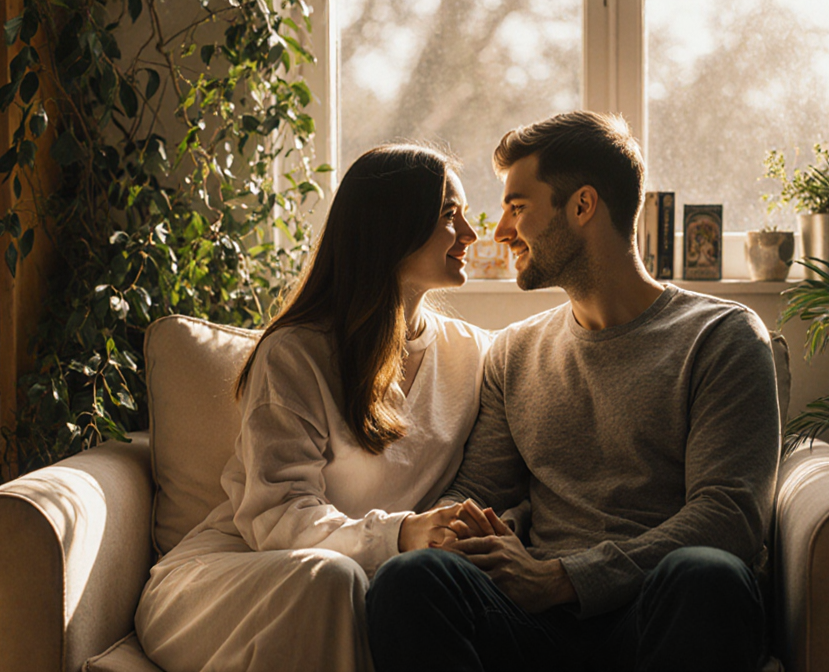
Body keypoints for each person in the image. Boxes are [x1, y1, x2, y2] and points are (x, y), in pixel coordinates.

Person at [366, 111, 781, 672]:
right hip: (536, 624)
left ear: (583, 207)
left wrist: (563, 579)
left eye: (518, 207)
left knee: (709, 575)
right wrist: (459, 529)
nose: (499, 231)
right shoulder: (514, 352)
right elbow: (478, 487)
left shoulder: (721, 337)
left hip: (655, 611)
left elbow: (728, 515)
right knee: (411, 579)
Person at [134, 144, 489, 672]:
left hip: (358, 587)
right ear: (391, 227)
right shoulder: (297, 354)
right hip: (229, 578)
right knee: (332, 578)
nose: (470, 233)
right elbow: (278, 518)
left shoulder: (474, 354)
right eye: (447, 214)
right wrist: (400, 533)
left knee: (348, 584)